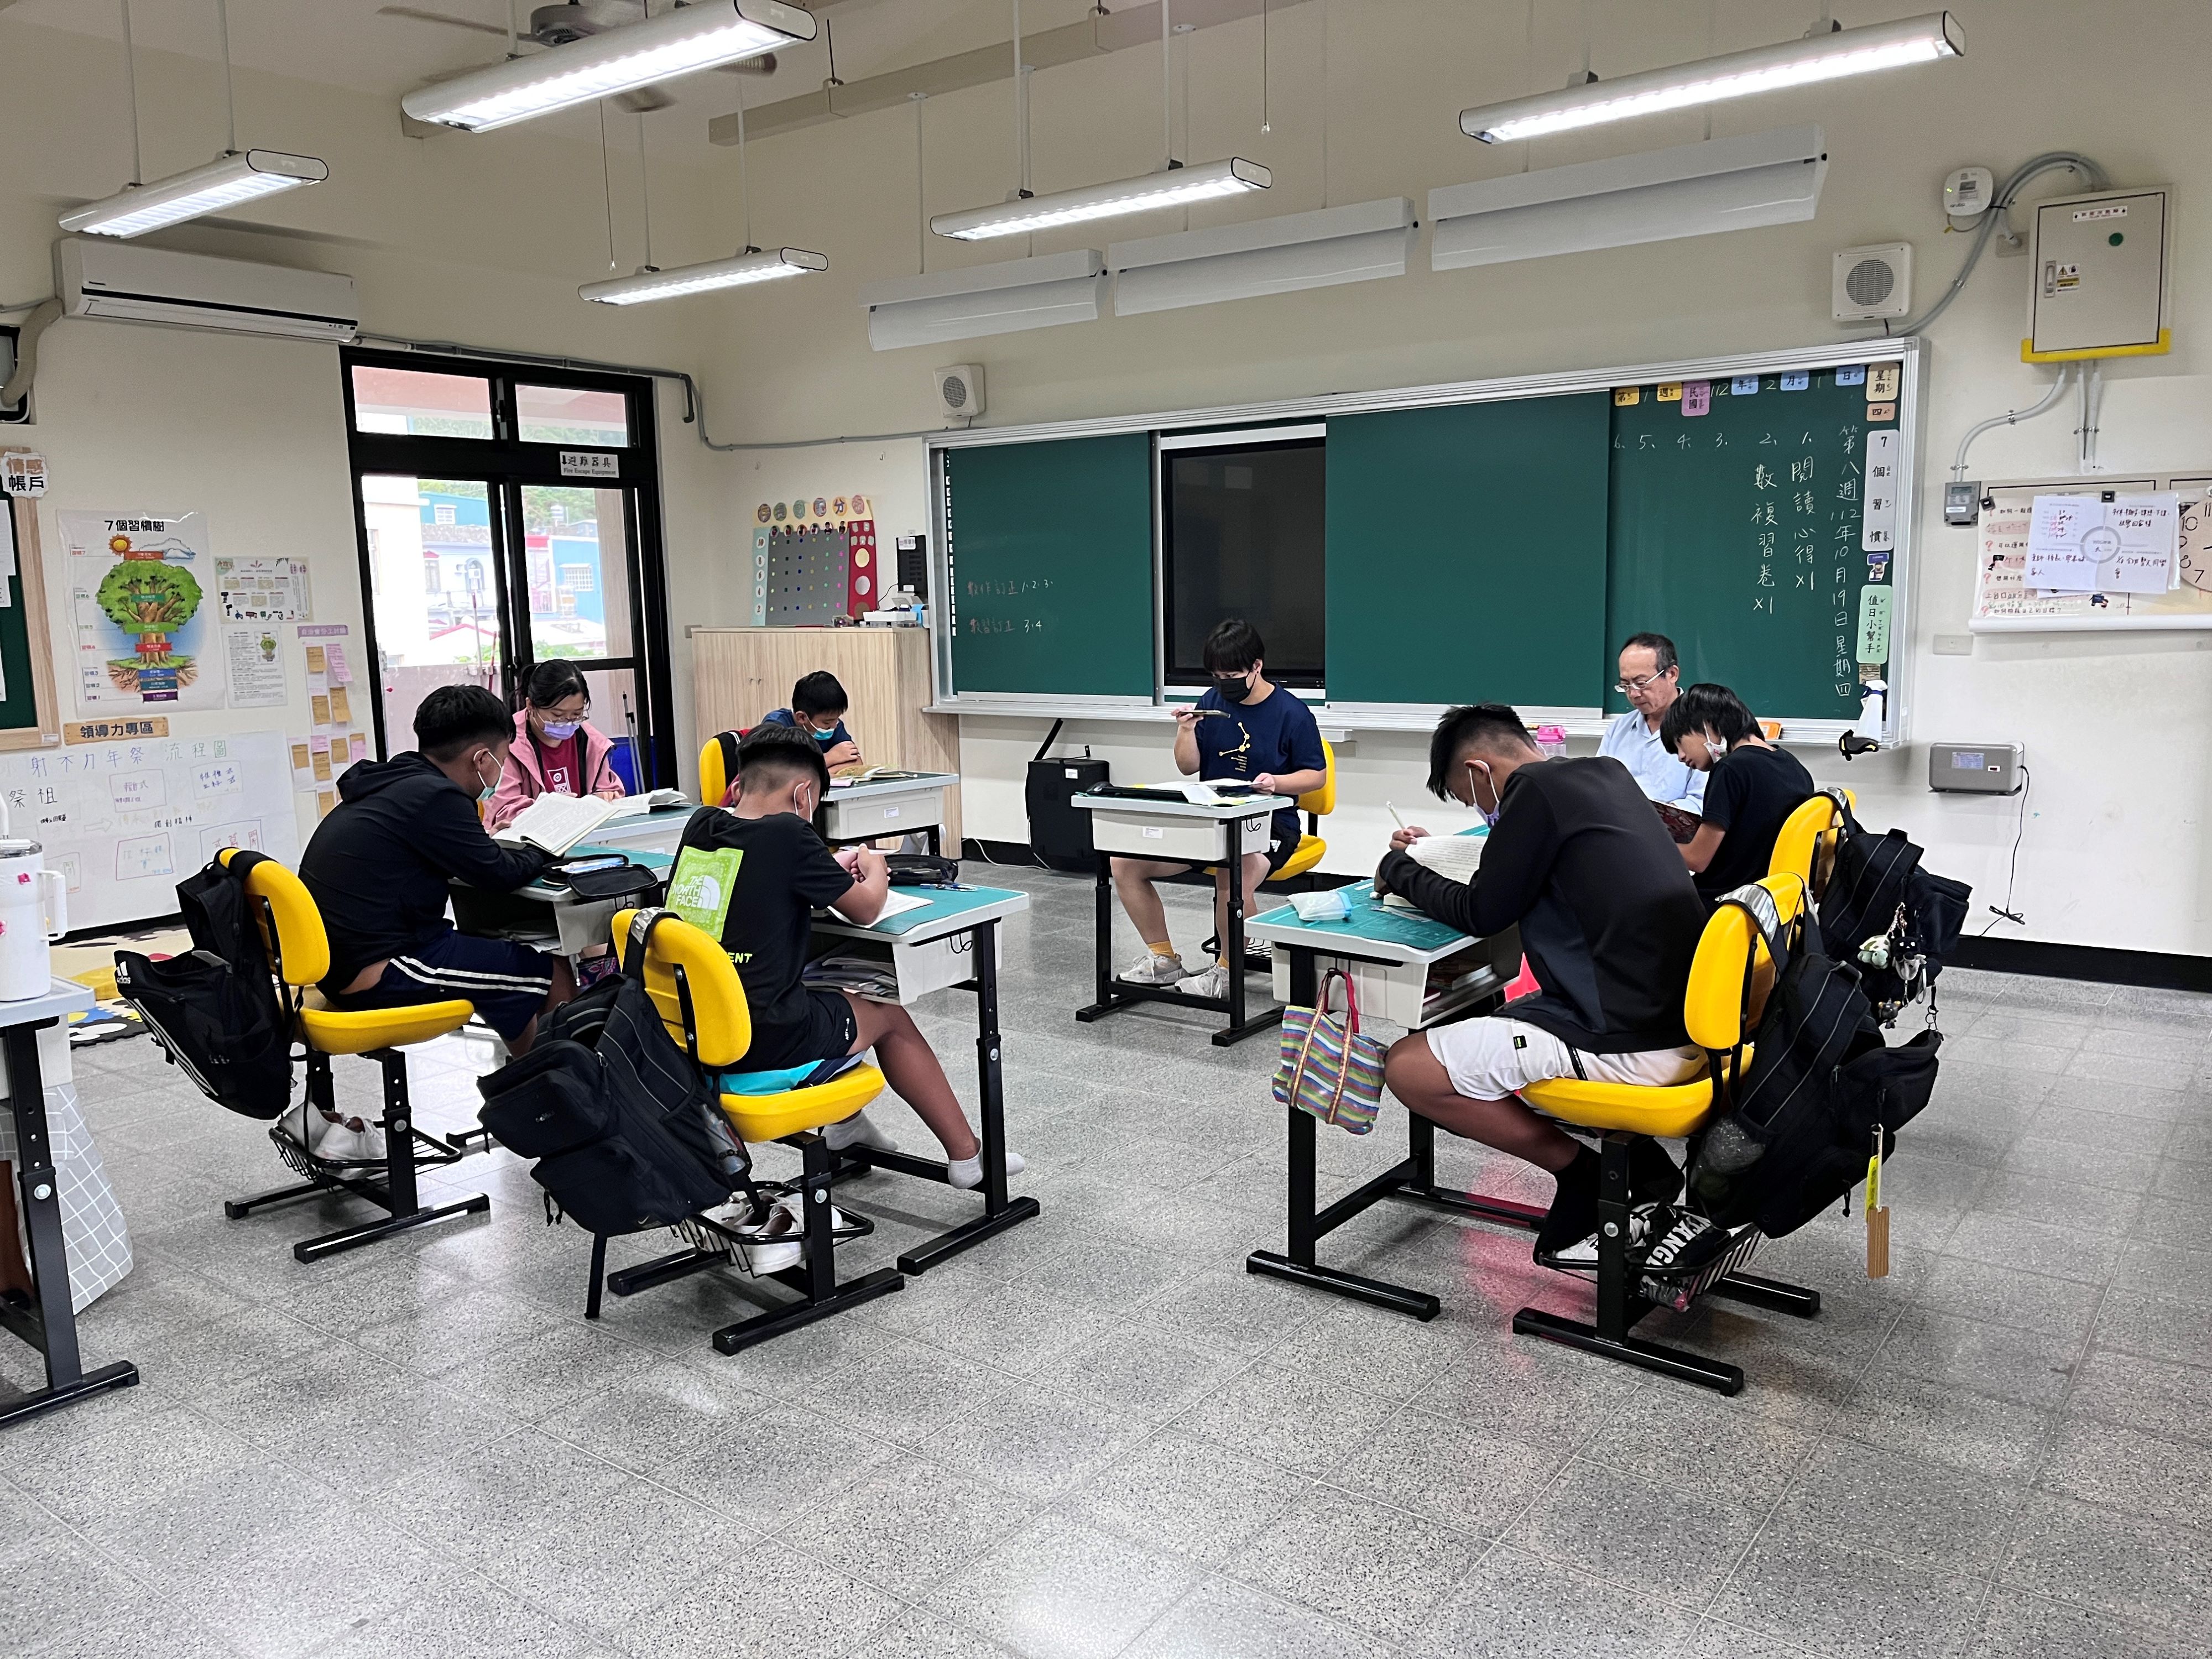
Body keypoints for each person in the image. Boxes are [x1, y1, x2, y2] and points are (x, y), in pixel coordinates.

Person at [1373, 703, 1708, 1259]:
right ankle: (1642, 1166)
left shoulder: (1532, 792)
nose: (1480, 808)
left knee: (1408, 1068)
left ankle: (1585, 1176)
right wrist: (1434, 853)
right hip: (1682, 1021)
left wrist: (1399, 869)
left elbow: (1482, 911)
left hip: (1625, 1037)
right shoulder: (1602, 774)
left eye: (1468, 796)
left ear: (1479, 770)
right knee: (1502, 1018)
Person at [674, 726, 1021, 1190]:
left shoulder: (701, 825)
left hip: (694, 1037)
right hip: (759, 1042)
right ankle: (967, 1155)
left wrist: (823, 870)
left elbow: (755, 878)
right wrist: (876, 869)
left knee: (826, 988)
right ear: (803, 795)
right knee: (888, 1015)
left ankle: (846, 1127)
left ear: (739, 785)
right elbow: (867, 908)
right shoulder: (791, 834)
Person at [301, 685, 571, 1087]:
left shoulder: (396, 782)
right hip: (381, 969)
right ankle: (570, 1095)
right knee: (550, 971)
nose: (500, 770)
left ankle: (537, 1086)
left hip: (346, 963)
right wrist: (545, 849)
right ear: (481, 758)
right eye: (501, 760)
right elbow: (497, 873)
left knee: (499, 968)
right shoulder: (436, 797)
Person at [1111, 618, 1327, 1003]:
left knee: (1233, 873)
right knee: (1125, 864)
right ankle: (1164, 959)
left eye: (1232, 675)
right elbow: (1187, 767)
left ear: (1257, 666)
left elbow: (1316, 776)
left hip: (1270, 824)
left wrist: (1277, 783)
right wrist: (1185, 731)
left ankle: (1228, 971)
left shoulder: (1292, 713)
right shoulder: (1212, 702)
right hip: (1212, 818)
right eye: (1217, 676)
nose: (1224, 683)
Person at [1661, 682, 1817, 905]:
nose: (1681, 756)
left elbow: (1697, 860)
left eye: (1680, 742)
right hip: (1772, 902)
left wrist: (1649, 843)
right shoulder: (1793, 766)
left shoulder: (1730, 769)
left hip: (1723, 902)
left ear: (1706, 723)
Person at [485, 659, 627, 832]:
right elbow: (504, 810)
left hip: (583, 836)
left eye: (576, 714)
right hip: (527, 840)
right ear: (530, 706)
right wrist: (551, 810)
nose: (567, 722)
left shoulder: (590, 741)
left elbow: (610, 791)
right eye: (558, 715)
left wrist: (605, 797)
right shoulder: (507, 743)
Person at [1597, 632, 1704, 837]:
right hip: (1617, 835)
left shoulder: (1703, 730)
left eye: (1641, 683)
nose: (1634, 694)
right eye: (1625, 685)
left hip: (1673, 843)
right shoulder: (1619, 730)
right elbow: (1598, 786)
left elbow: (1701, 803)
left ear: (1672, 674)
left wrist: (1649, 818)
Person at [760, 671, 861, 771]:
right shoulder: (776, 726)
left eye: (836, 719)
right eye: (826, 722)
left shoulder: (834, 725)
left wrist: (824, 776)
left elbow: (856, 763)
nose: (834, 726)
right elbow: (776, 771)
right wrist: (830, 758)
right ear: (802, 717)